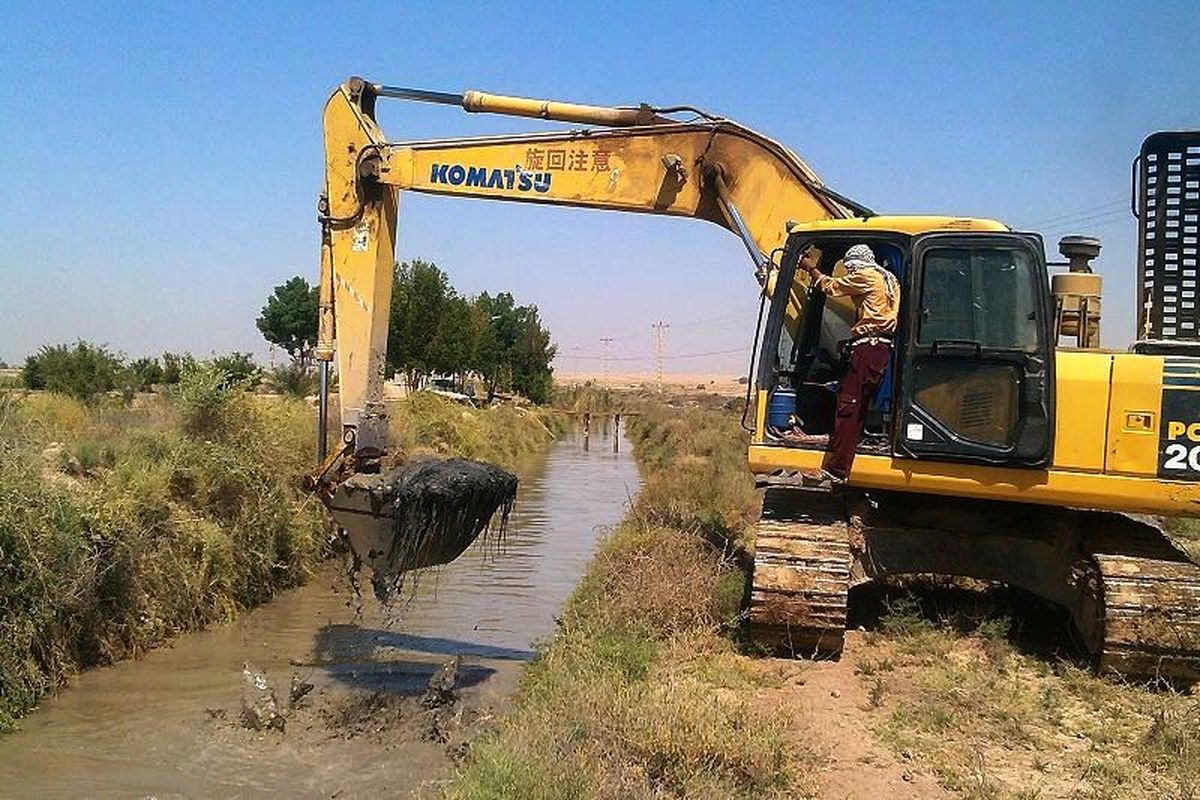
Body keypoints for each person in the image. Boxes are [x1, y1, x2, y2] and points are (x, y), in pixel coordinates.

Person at [798, 243, 900, 486]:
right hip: (879, 348)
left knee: (848, 407)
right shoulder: (890, 280)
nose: (851, 271)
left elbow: (831, 287)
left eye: (850, 266)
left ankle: (837, 469)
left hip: (867, 348)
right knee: (859, 405)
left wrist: (812, 269)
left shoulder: (866, 276)